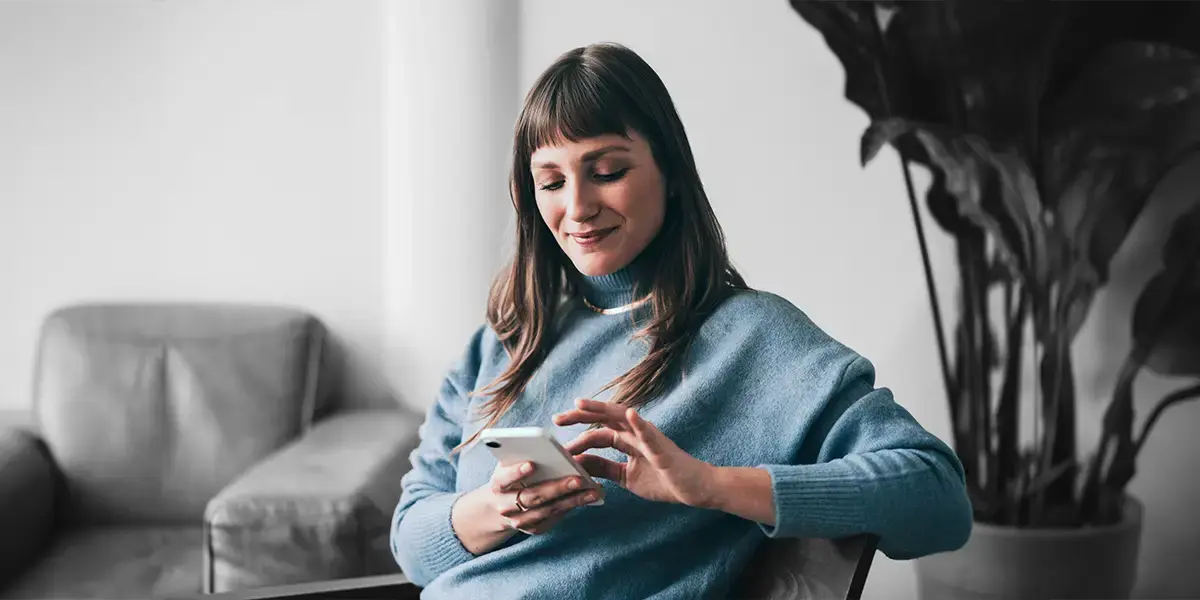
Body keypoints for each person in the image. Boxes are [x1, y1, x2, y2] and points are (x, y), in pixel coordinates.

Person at [389, 42, 972, 599]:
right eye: (552, 181)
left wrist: (711, 486)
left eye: (608, 171)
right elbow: (411, 542)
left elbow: (938, 498)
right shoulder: (504, 341)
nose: (577, 206)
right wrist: (496, 508)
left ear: (669, 172)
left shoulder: (751, 338)